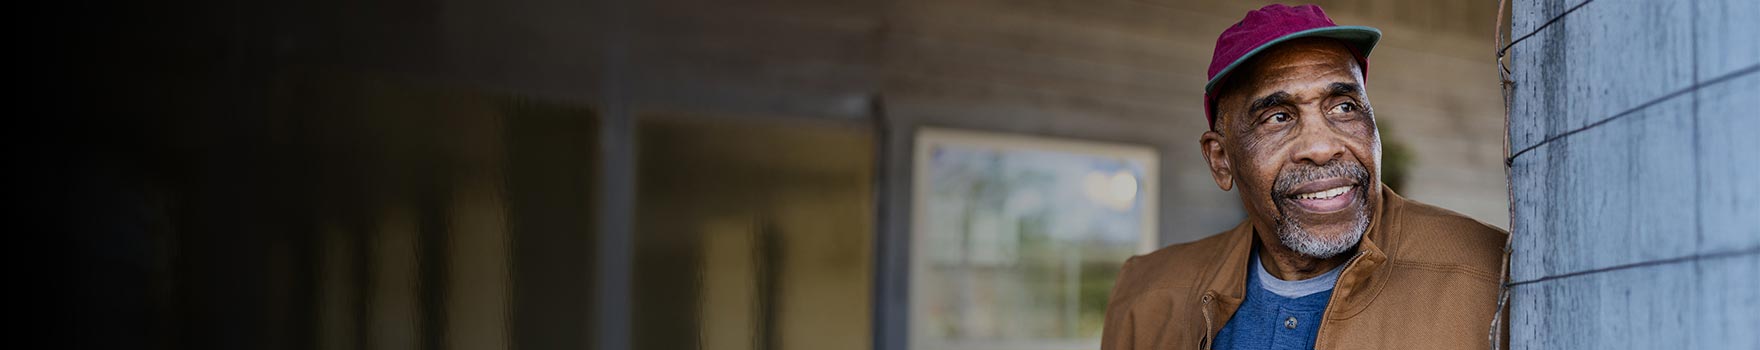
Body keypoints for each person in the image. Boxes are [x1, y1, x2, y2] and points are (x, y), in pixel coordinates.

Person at [1100, 4, 1509, 349]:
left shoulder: (1493, 274)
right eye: (1277, 117)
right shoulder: (1146, 295)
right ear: (1221, 159)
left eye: (1344, 107)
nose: (1321, 146)